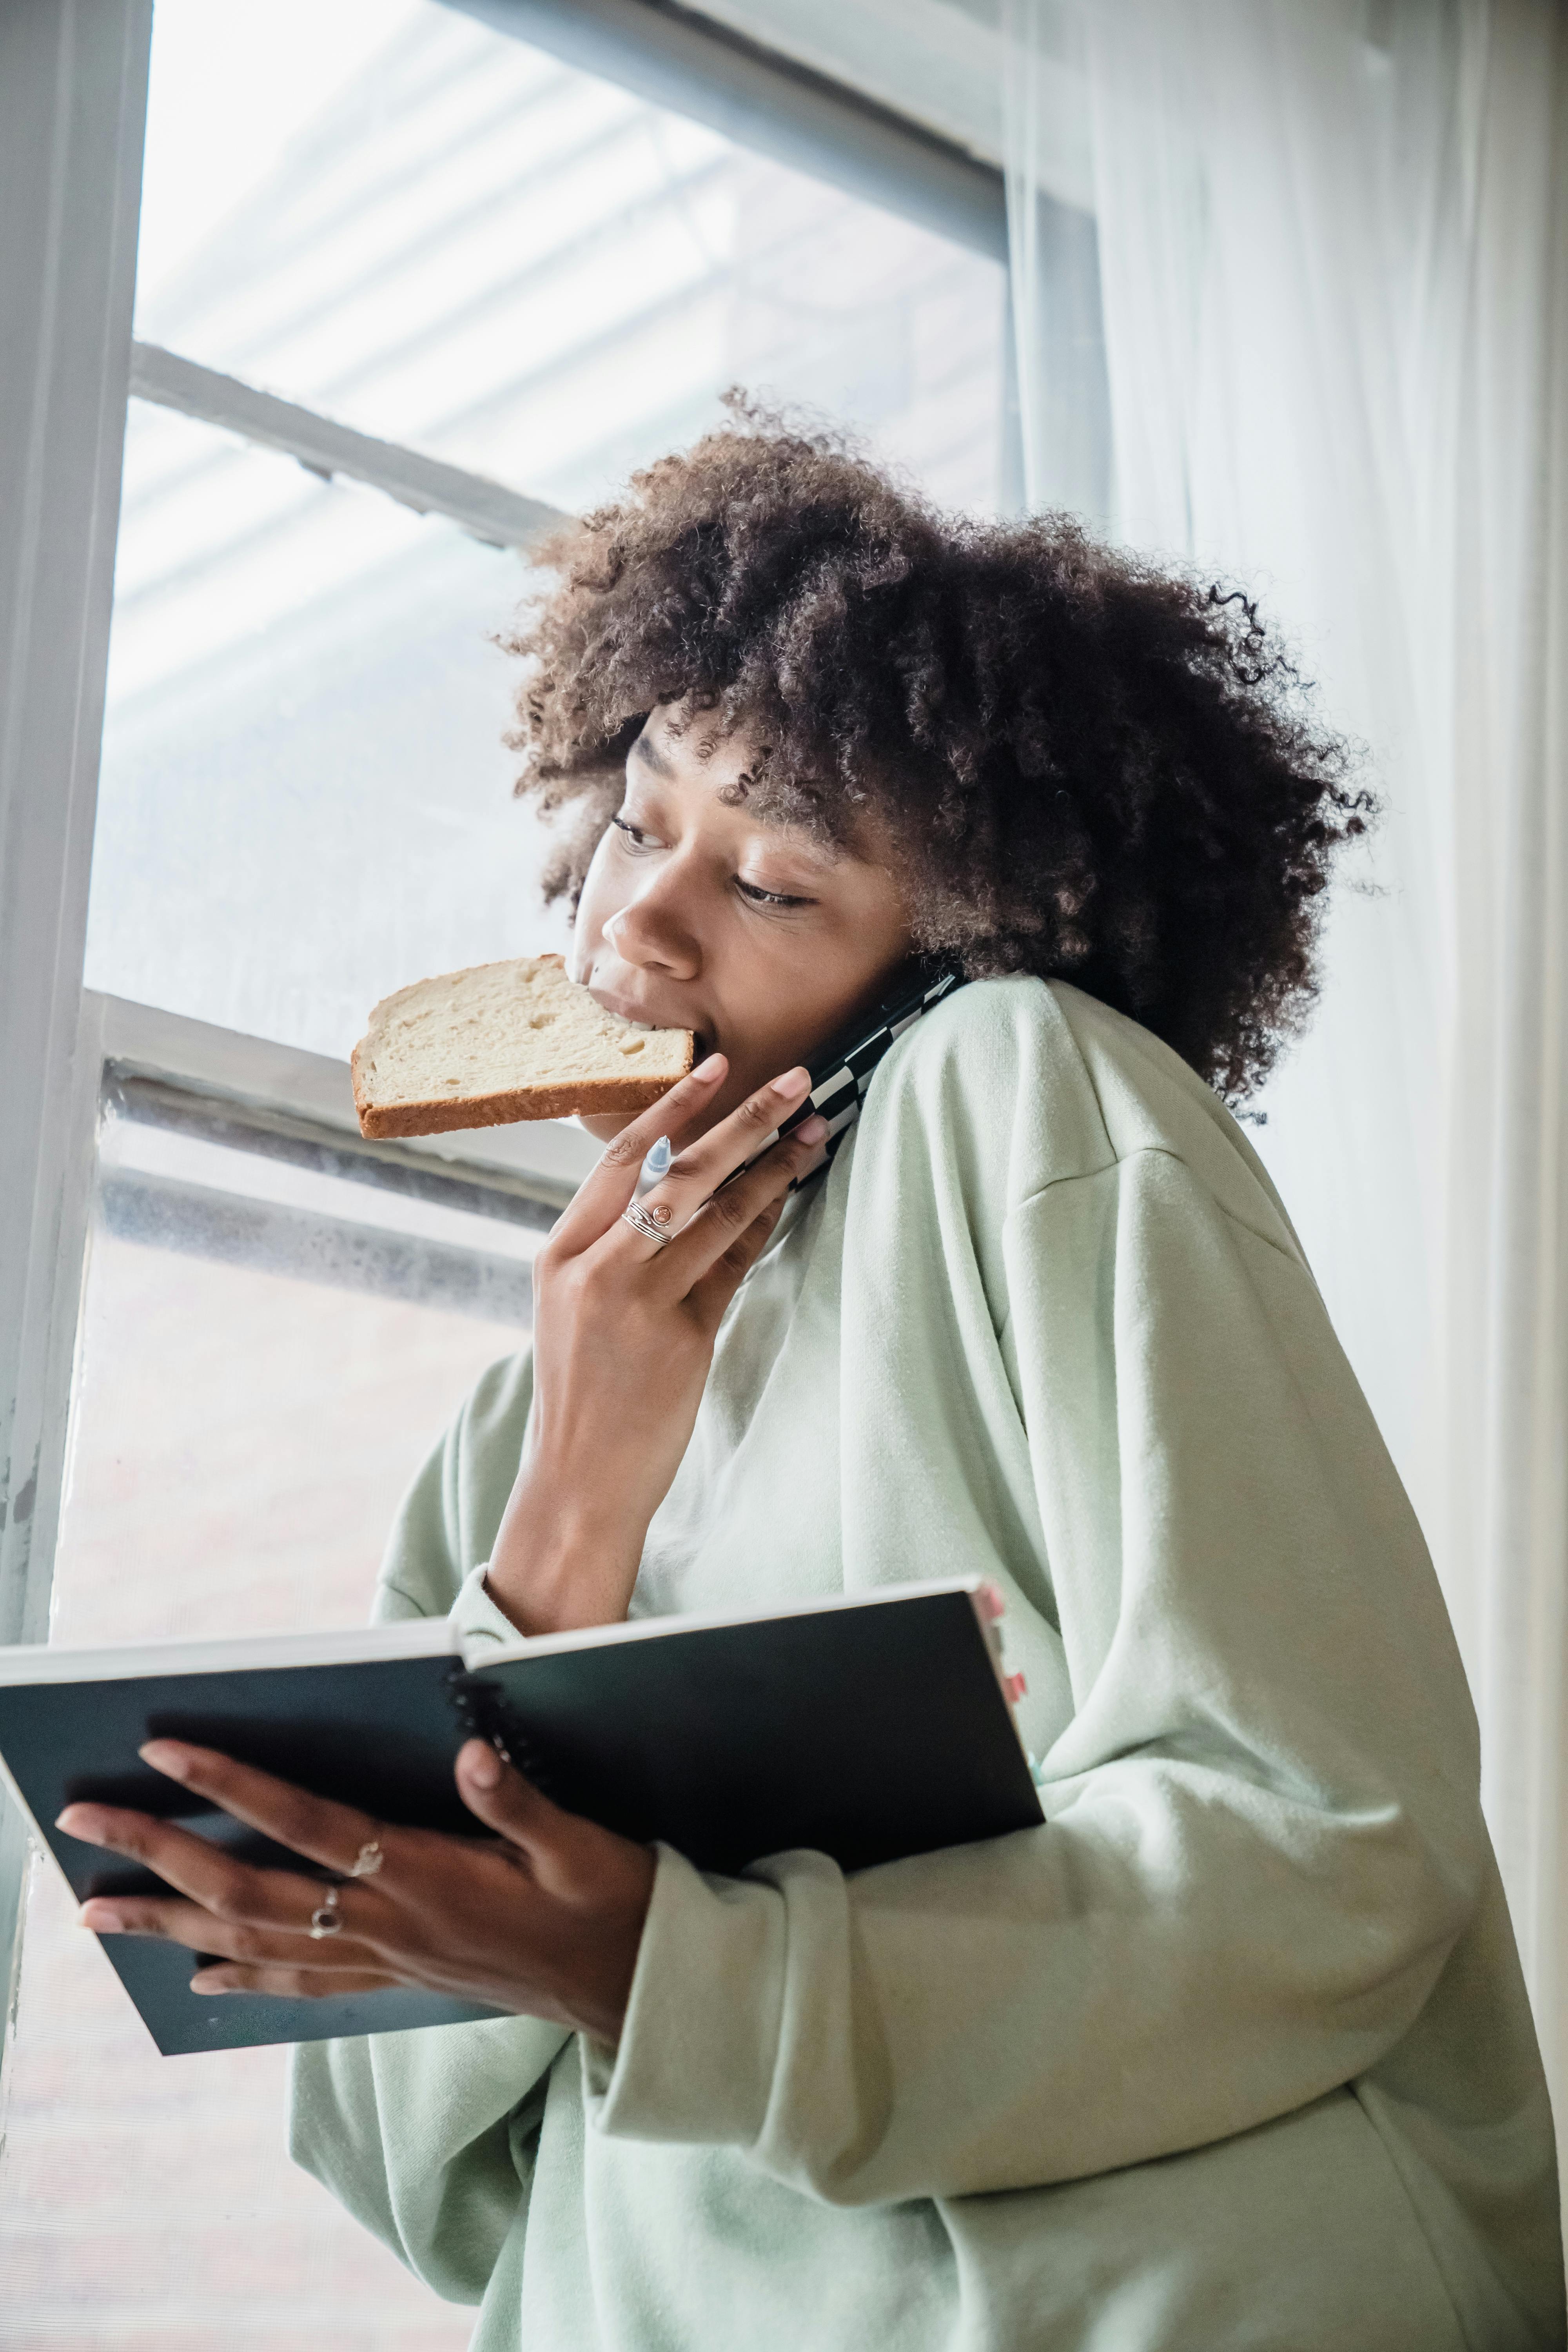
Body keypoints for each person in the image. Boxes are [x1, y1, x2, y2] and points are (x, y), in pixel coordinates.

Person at [60, 417, 1564, 2350]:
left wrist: (666, 1969)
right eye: (639, 815)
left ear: (960, 942)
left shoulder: (1017, 1092)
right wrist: (579, 1492)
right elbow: (400, 2171)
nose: (639, 919)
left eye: (773, 883)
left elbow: (1325, 1844)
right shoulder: (514, 1427)